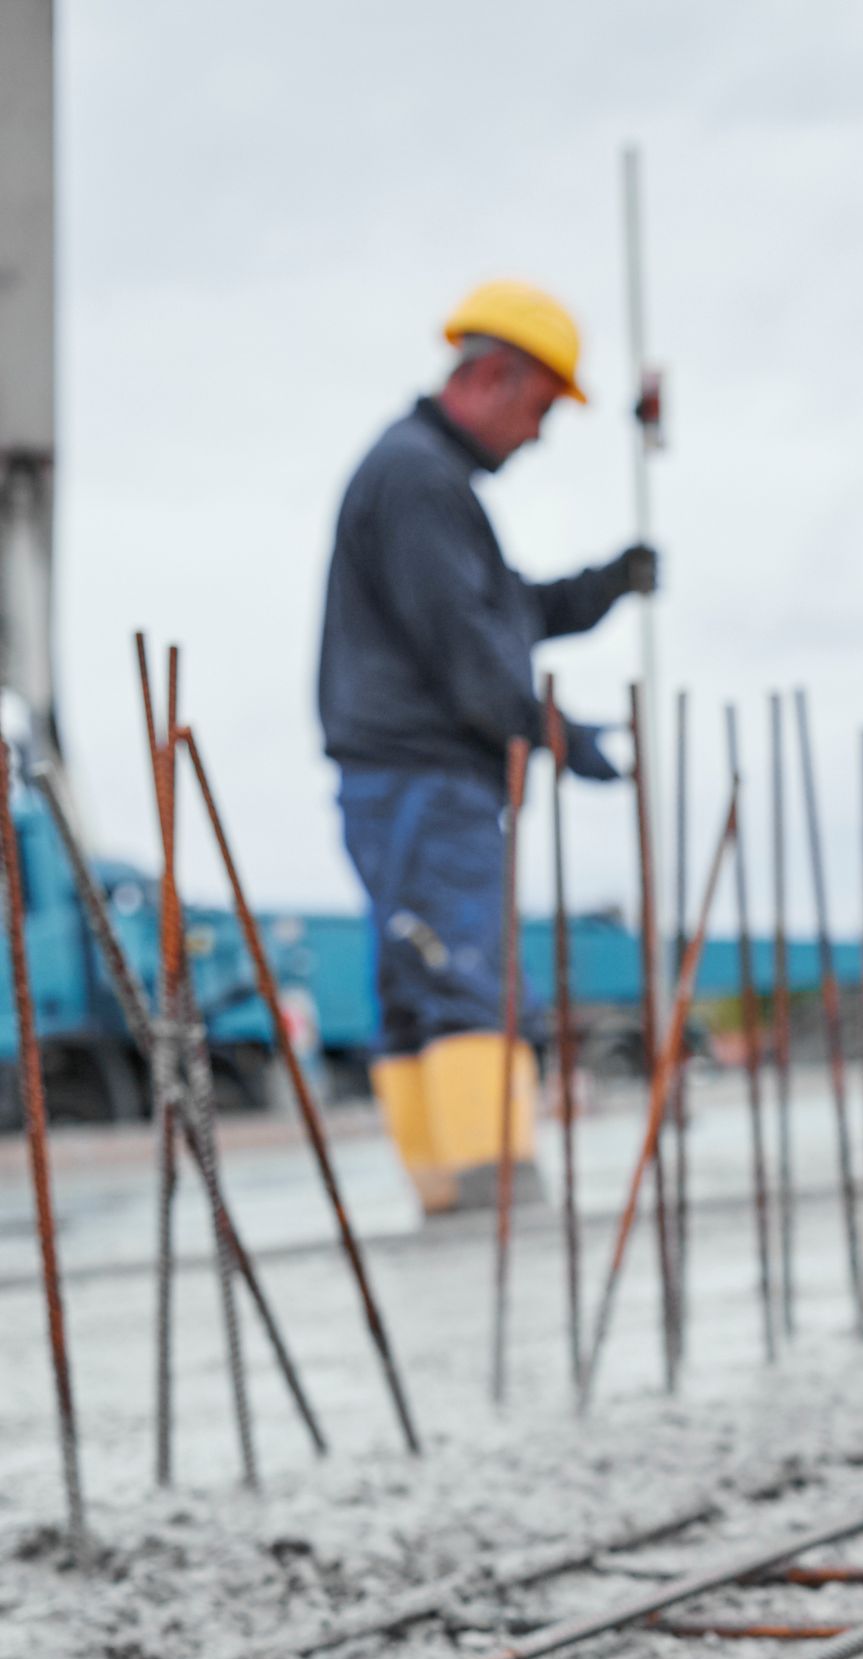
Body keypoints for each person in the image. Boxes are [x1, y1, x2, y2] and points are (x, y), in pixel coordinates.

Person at [318, 281, 657, 1210]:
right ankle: (494, 1197)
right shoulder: (421, 480)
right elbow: (466, 652)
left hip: (395, 777)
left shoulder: (418, 476)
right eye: (542, 408)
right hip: (427, 777)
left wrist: (603, 588)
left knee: (419, 978)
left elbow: (499, 612)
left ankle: (450, 1199)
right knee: (463, 975)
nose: (541, 433)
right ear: (495, 378)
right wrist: (560, 735)